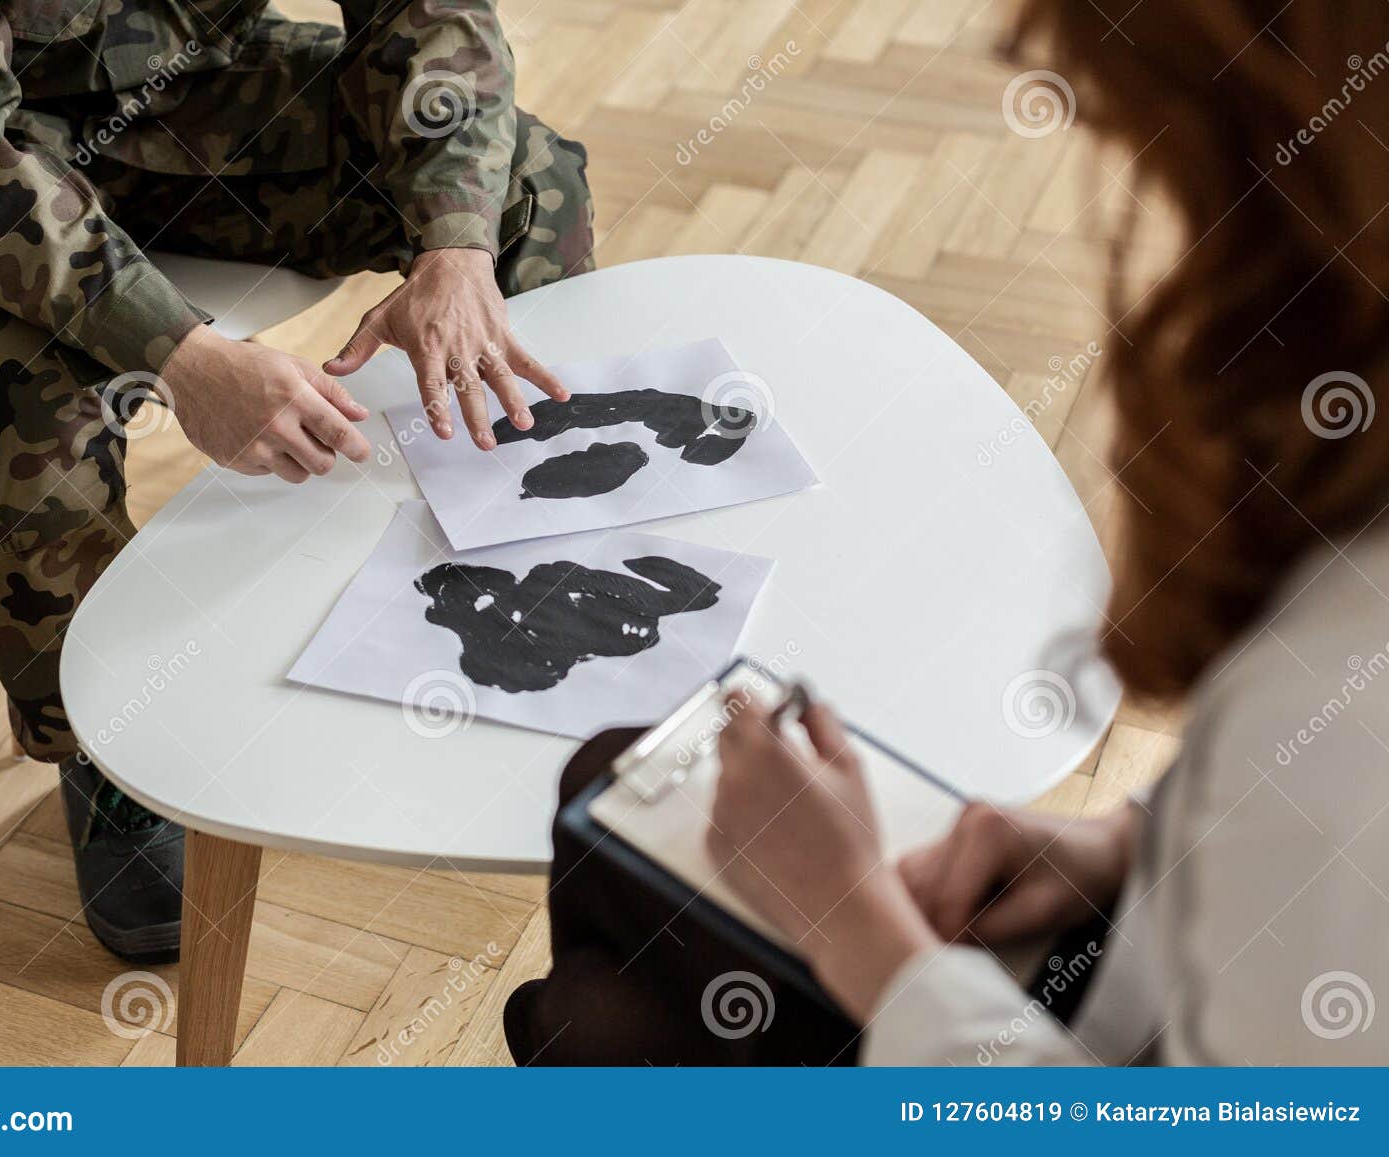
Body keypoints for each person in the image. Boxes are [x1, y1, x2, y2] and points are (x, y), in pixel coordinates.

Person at [506, 0, 1389, 1065]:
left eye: (1183, 174)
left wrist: (855, 925)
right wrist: (1132, 846)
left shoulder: (1340, 723)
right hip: (1157, 963)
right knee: (621, 794)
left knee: (607, 987)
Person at [0, 0, 592, 962]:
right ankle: (103, 740)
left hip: (170, 89)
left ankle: (503, 555)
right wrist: (180, 356)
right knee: (17, 380)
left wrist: (454, 246)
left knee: (524, 181)